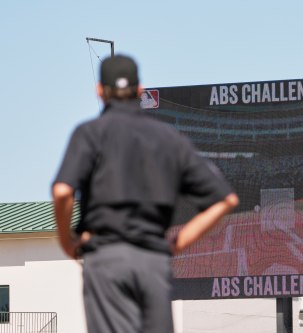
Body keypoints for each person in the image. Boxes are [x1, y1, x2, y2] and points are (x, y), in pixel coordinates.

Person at [52, 54, 239, 333]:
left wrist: (67, 242)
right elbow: (227, 199)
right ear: (140, 91)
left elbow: (63, 191)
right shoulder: (168, 138)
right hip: (153, 259)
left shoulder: (90, 133)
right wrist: (178, 242)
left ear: (100, 91)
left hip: (106, 258)